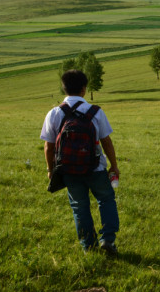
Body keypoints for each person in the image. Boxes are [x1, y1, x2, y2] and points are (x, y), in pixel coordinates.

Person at [40, 69, 120, 255]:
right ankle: (108, 239)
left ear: (64, 89)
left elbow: (48, 147)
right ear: (84, 89)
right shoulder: (96, 112)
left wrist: (51, 170)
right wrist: (113, 166)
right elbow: (106, 141)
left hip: (68, 169)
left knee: (79, 206)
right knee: (106, 199)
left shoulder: (54, 113)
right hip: (96, 168)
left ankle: (88, 247)